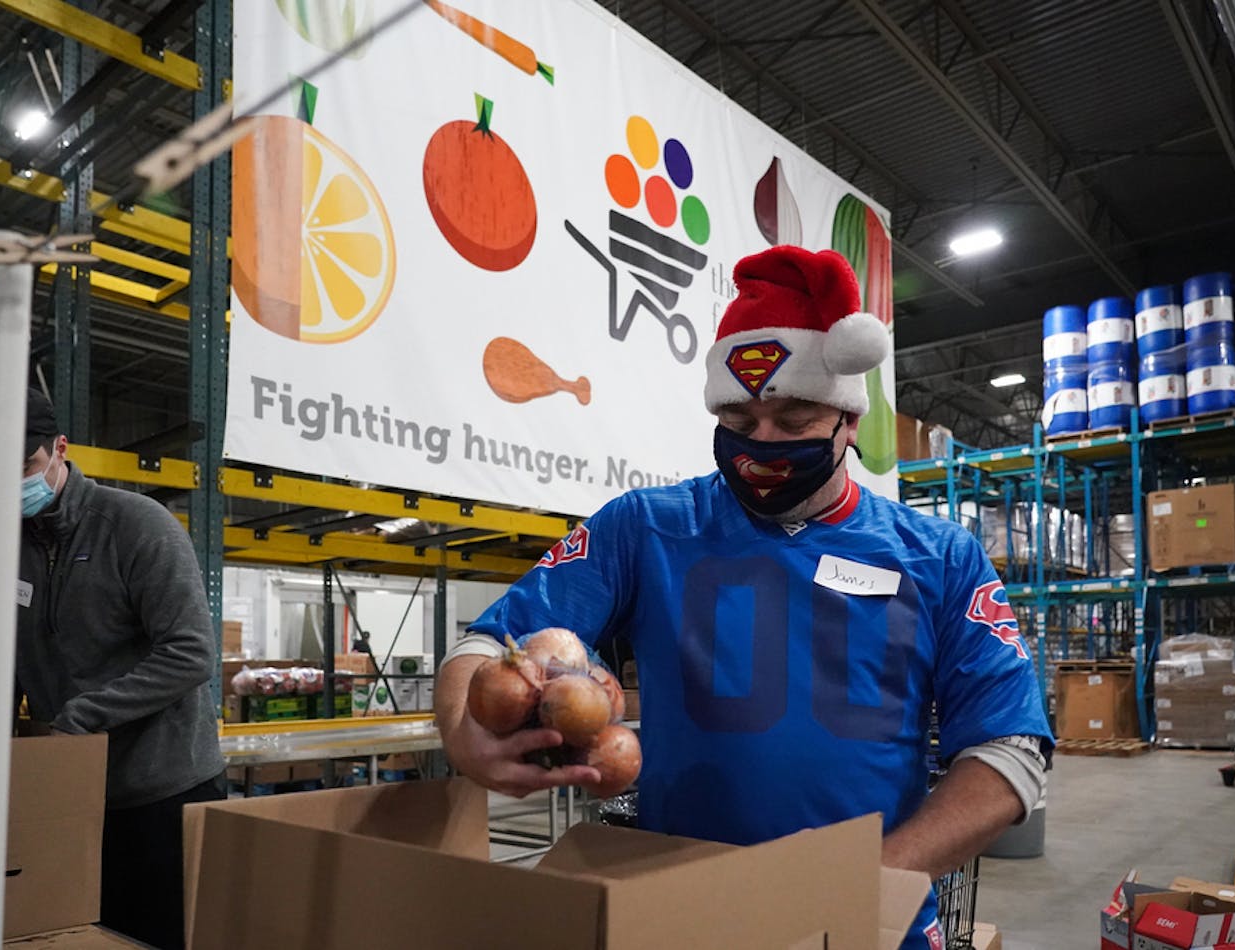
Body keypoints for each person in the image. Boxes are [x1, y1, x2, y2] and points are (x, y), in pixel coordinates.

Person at [435, 245, 1054, 949]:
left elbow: (1010, 750)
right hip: (682, 910)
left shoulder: (940, 557)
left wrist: (870, 884)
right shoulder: (645, 529)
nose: (761, 445)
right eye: (738, 421)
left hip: (867, 923)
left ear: (848, 423)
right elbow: (488, 644)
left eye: (792, 424)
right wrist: (464, 734)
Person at [0, 388, 226, 950]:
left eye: (22, 465)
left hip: (160, 794)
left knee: (156, 936)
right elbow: (5, 655)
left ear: (59, 449)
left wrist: (83, 715)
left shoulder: (136, 526)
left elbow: (192, 651)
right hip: (70, 793)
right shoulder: (4, 545)